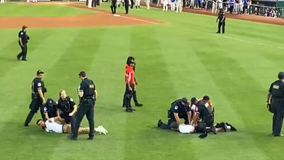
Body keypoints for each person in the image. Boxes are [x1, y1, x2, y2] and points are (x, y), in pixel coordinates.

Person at [68, 71, 97, 140]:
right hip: (91, 102)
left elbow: (81, 95)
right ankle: (91, 135)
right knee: (91, 120)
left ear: (81, 76)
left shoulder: (83, 84)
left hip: (84, 103)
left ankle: (74, 135)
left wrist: (78, 92)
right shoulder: (91, 82)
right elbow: (95, 93)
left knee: (78, 119)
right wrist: (94, 101)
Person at [36, 117, 107, 135]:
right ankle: (95, 129)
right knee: (79, 129)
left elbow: (57, 117)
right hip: (64, 130)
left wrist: (62, 122)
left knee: (78, 131)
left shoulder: (48, 121)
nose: (41, 124)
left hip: (64, 128)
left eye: (41, 122)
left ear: (43, 121)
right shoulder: (46, 129)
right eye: (40, 124)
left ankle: (97, 129)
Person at [267, 72, 284, 137]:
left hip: (273, 101)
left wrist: (268, 101)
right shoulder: (282, 85)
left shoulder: (274, 83)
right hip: (280, 102)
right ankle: (277, 133)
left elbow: (269, 93)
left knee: (275, 115)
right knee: (280, 117)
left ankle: (274, 130)